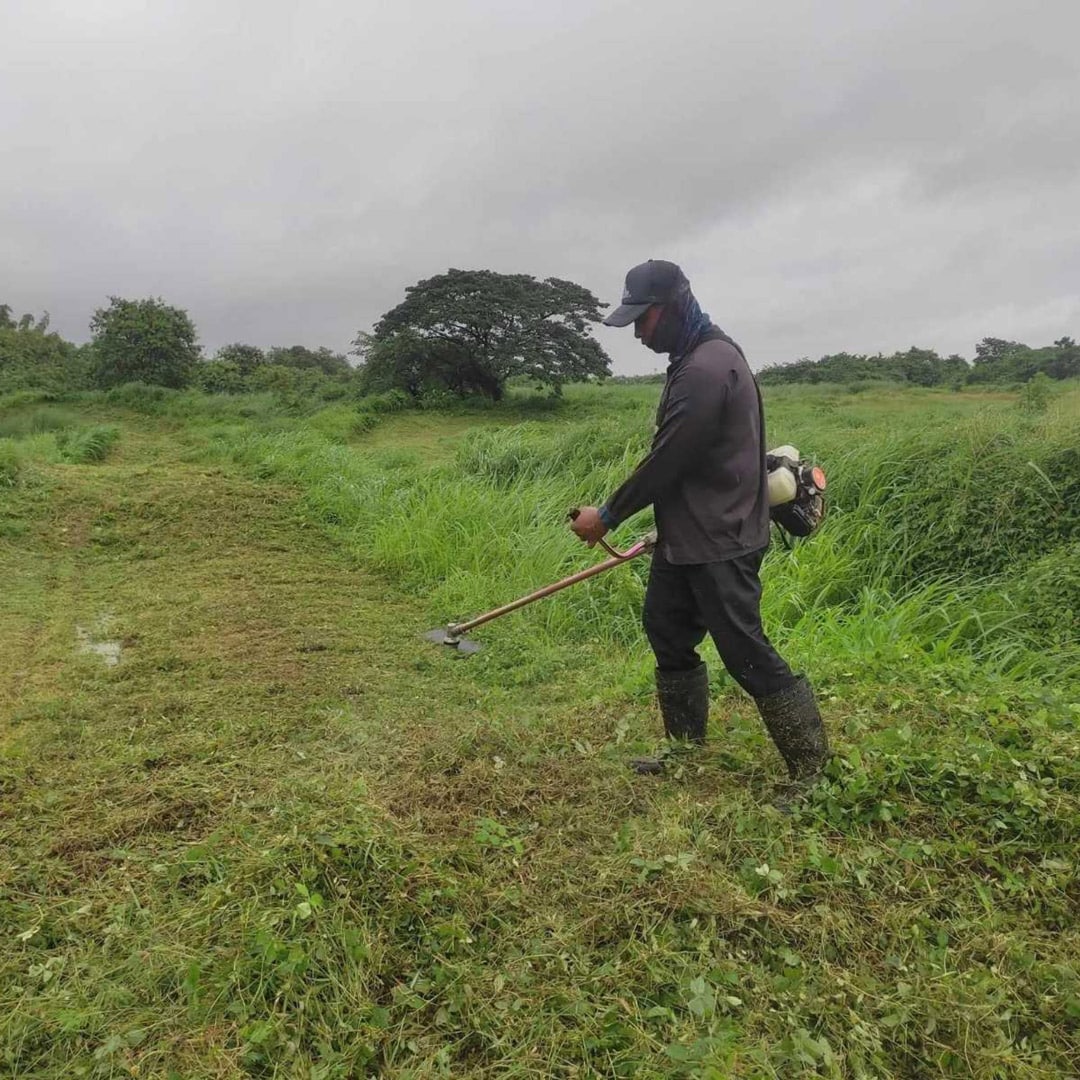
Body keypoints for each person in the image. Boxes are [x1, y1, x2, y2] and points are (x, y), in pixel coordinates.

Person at [570, 259, 829, 800]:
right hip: (687, 536)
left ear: (674, 307)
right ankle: (685, 749)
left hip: (721, 539)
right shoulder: (697, 357)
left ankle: (812, 770)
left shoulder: (707, 369)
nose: (639, 333)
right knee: (667, 631)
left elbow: (668, 460)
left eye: (643, 320)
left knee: (745, 652)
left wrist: (607, 516)